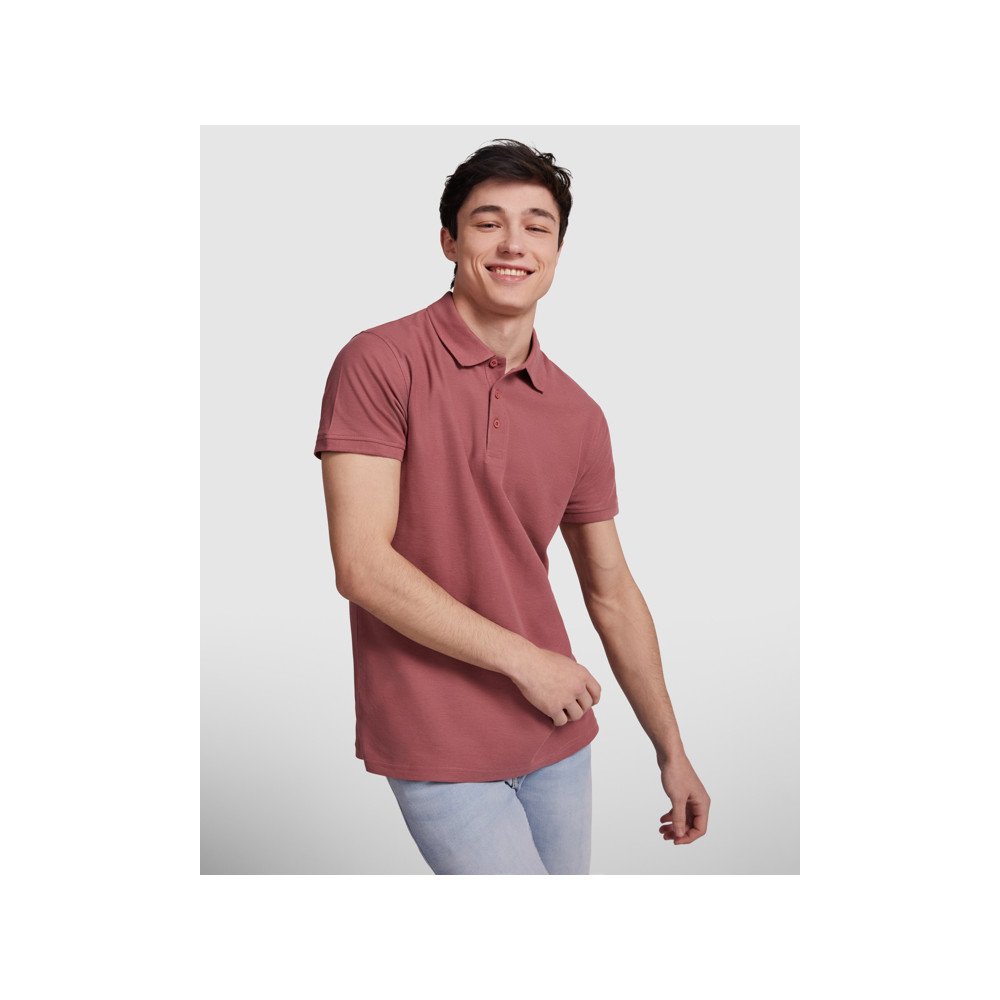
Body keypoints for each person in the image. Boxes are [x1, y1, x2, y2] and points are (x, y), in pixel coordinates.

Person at [313, 138, 710, 874]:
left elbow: (611, 590)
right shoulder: (380, 361)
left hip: (556, 732)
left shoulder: (578, 414)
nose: (513, 244)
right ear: (449, 240)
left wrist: (672, 750)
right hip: (438, 734)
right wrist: (528, 662)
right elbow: (362, 565)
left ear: (557, 250)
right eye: (488, 222)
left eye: (537, 226)